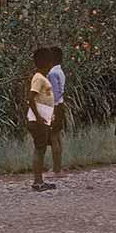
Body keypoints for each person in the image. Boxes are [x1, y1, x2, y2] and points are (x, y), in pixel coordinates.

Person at [27, 48, 57, 192]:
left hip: (43, 120)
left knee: (41, 149)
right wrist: (38, 118)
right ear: (48, 63)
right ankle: (37, 182)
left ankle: (39, 181)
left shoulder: (42, 77)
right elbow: (31, 98)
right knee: (39, 149)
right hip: (38, 121)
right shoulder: (39, 78)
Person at [47, 46, 67, 176]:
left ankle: (56, 169)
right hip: (60, 105)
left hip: (55, 106)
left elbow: (55, 93)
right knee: (57, 136)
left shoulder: (52, 73)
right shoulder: (59, 71)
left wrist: (51, 110)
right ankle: (58, 167)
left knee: (54, 137)